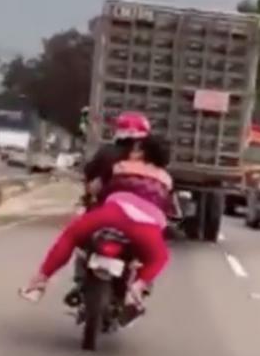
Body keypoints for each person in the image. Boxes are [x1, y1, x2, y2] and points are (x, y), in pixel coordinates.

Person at [19, 133, 173, 325]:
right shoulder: (166, 180)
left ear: (141, 153)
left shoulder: (120, 167)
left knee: (71, 235)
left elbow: (95, 189)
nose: (132, 152)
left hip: (113, 214)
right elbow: (166, 207)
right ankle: (135, 292)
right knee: (159, 257)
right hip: (147, 226)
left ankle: (39, 283)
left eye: (136, 149)